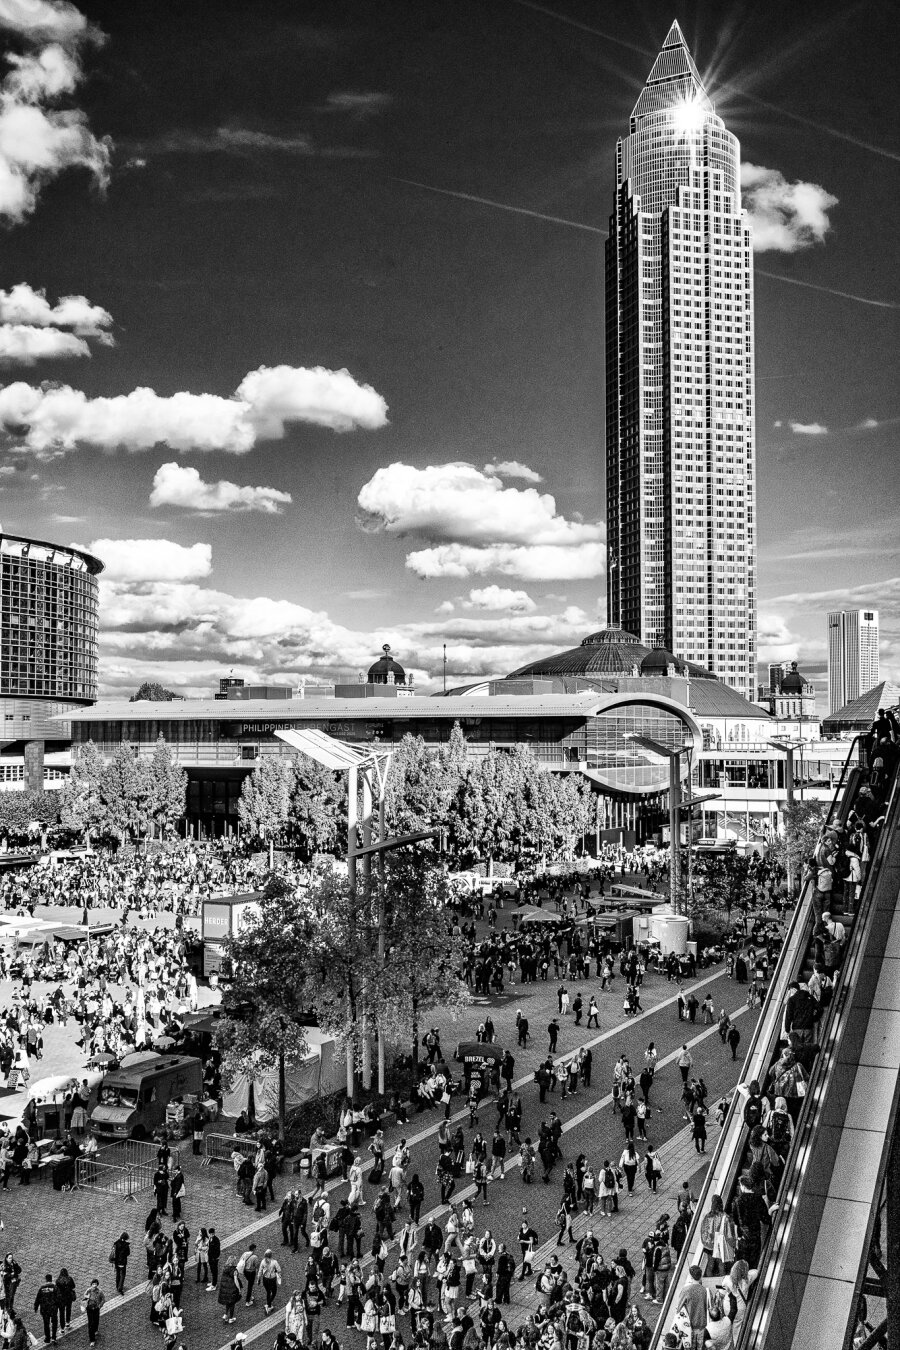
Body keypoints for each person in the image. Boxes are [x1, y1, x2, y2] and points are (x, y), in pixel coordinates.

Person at [676, 1265, 708, 1350]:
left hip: (689, 1328)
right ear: (700, 1276)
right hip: (702, 1327)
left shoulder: (686, 1290)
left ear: (691, 1276)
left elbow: (678, 1308)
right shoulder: (704, 1290)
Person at [33, 1272, 58, 1346]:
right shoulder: (55, 1287)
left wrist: (36, 1307)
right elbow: (58, 1297)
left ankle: (47, 1338)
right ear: (51, 1279)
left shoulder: (42, 1288)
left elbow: (38, 1298)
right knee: (54, 1323)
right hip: (53, 1309)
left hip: (45, 1309)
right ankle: (54, 1337)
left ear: (46, 1280)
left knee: (46, 1324)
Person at [82, 1278, 105, 1348]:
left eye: (95, 1284)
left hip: (96, 1309)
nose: (94, 1285)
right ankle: (92, 1340)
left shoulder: (100, 1291)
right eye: (93, 1284)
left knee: (96, 1320)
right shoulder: (89, 1290)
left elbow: (103, 1299)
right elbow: (84, 1295)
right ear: (91, 1284)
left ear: (97, 1285)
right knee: (90, 1324)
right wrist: (87, 1296)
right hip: (89, 1309)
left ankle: (96, 1329)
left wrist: (99, 1306)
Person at [219, 1254, 241, 1324]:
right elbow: (236, 1281)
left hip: (224, 1288)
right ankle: (231, 1318)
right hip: (232, 1289)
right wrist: (239, 1289)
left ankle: (225, 1315)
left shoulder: (225, 1268)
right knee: (232, 1304)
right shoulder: (234, 1270)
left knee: (227, 1302)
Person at [259, 1250, 282, 1315]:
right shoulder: (274, 1262)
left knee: (268, 1292)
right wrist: (277, 1273)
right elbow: (279, 1270)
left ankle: (269, 1305)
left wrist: (258, 1278)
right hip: (272, 1279)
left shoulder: (263, 1261)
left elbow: (260, 1271)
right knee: (274, 1292)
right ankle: (268, 1304)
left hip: (265, 1279)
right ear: (271, 1255)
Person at [55, 1270, 76, 1336]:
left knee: (61, 1313)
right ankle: (68, 1323)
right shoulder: (69, 1278)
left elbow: (56, 1290)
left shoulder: (58, 1280)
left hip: (61, 1299)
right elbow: (73, 1286)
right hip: (69, 1297)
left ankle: (62, 1329)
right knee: (68, 1309)